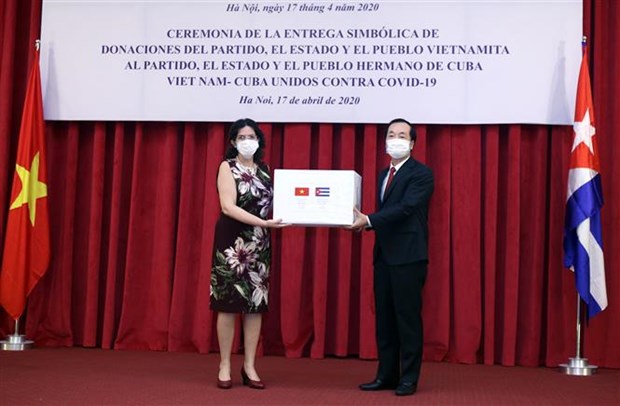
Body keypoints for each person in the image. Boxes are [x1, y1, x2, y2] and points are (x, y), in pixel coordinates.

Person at [350, 118, 434, 396]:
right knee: (384, 319)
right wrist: (368, 222)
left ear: (411, 143)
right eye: (391, 134)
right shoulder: (383, 174)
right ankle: (386, 375)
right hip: (384, 256)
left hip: (409, 257)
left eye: (401, 135)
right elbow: (387, 215)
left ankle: (409, 378)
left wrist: (369, 219)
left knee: (407, 319)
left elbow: (407, 208)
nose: (395, 139)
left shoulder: (421, 174)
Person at [210, 118, 287, 390]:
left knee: (255, 306)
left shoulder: (265, 170)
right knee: (228, 304)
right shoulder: (226, 167)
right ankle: (225, 364)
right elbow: (228, 206)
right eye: (241, 137)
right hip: (233, 243)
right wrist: (264, 223)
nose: (246, 141)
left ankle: (250, 365)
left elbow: (280, 204)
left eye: (251, 136)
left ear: (259, 140)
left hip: (259, 244)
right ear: (233, 142)